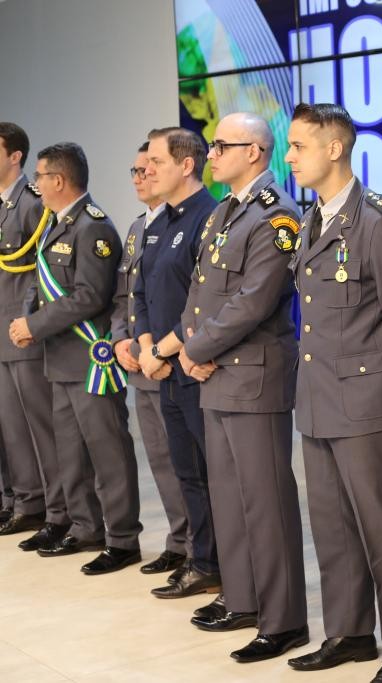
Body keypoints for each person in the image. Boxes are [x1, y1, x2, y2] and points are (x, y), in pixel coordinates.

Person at [284, 102, 382, 683]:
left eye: (299, 146)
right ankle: (349, 632)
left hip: (366, 402)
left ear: (334, 148)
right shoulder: (311, 219)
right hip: (318, 396)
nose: (289, 157)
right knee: (332, 525)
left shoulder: (380, 221)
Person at [179, 112, 307, 663]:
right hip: (215, 372)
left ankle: (283, 619)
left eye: (220, 146)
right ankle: (242, 597)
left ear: (253, 152)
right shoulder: (223, 212)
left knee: (265, 501)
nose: (210, 155)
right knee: (229, 497)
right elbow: (199, 289)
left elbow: (254, 300)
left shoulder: (276, 215)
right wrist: (191, 342)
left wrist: (197, 349)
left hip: (253, 375)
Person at [9, 142, 142, 574]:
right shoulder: (56, 223)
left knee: (107, 452)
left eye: (40, 176)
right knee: (70, 452)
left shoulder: (93, 228)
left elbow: (90, 296)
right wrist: (26, 320)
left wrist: (36, 325)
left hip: (89, 359)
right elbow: (38, 282)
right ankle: (85, 527)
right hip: (60, 359)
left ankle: (122, 538)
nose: (36, 184)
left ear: (59, 180)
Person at [135, 126, 221, 598]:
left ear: (186, 165)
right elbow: (142, 291)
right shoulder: (160, 222)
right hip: (166, 367)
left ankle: (221, 564)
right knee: (187, 473)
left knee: (211, 474)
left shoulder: (208, 218)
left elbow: (202, 304)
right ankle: (202, 560)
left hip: (194, 367)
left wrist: (161, 350)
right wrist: (148, 345)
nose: (147, 170)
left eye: (156, 162)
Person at [109, 142, 190, 577]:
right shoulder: (137, 228)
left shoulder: (188, 223)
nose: (141, 178)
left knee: (185, 462)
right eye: (136, 171)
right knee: (159, 459)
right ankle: (179, 540)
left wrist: (155, 349)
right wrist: (122, 340)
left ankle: (197, 545)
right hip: (139, 362)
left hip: (170, 362)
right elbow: (125, 295)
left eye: (149, 168)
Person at [0, 122, 66, 548]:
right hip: (1, 333)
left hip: (20, 331)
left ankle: (54, 507)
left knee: (37, 425)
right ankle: (22, 499)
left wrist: (30, 323)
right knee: (10, 426)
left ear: (15, 156)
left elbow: (42, 272)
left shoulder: (31, 202)